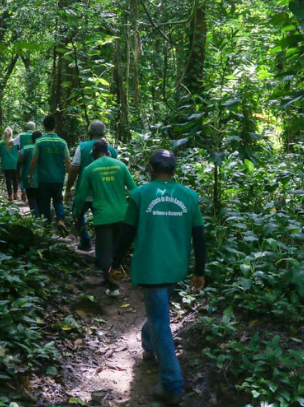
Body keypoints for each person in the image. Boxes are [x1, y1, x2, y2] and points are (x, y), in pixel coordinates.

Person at [109, 149, 207, 406]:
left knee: (160, 321)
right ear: (174, 170)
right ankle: (149, 348)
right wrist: (199, 270)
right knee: (158, 314)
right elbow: (199, 236)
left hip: (151, 268)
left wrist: (115, 263)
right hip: (175, 267)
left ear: (151, 169)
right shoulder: (189, 196)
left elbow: (127, 233)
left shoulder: (141, 194)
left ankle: (172, 385)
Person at [73, 140, 136, 296]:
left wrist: (76, 214)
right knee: (116, 251)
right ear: (107, 151)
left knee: (105, 252)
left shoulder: (90, 169)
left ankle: (113, 287)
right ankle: (115, 279)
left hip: (103, 216)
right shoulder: (120, 165)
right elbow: (134, 190)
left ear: (94, 153)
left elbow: (81, 196)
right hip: (122, 215)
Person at [64, 120, 118, 251]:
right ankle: (101, 251)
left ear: (89, 132)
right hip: (103, 195)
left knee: (77, 215)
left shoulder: (82, 147)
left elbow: (75, 169)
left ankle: (85, 240)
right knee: (102, 223)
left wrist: (68, 189)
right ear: (104, 132)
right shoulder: (112, 151)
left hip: (83, 193)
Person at [29, 115, 71, 233]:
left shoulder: (40, 141)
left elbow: (34, 160)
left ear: (44, 126)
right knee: (58, 200)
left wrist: (31, 176)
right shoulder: (62, 142)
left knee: (44, 202)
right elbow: (67, 160)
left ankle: (47, 227)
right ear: (55, 126)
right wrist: (70, 177)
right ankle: (61, 220)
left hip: (44, 178)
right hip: (58, 178)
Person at [19, 131, 43, 218]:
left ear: (32, 139)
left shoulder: (25, 148)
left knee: (31, 198)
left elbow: (19, 161)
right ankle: (41, 216)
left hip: (28, 177)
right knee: (39, 198)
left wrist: (19, 174)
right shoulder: (42, 149)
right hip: (42, 178)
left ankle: (36, 217)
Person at [14, 121, 36, 201]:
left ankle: (23, 190)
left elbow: (12, 143)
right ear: (34, 128)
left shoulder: (21, 135)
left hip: (23, 156)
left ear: (26, 127)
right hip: (34, 156)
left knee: (24, 173)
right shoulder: (36, 135)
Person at [0, 126, 19, 201]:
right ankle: (15, 194)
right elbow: (18, 153)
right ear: (11, 134)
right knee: (15, 179)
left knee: (8, 180)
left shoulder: (0, 143)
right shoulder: (15, 143)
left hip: (6, 164)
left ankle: (10, 196)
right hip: (15, 163)